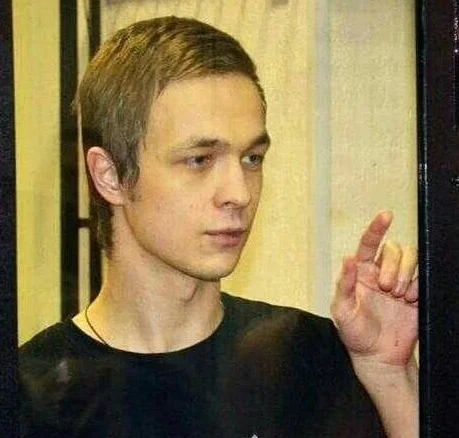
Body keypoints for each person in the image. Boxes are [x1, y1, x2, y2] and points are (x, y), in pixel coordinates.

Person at [19, 16, 418, 437]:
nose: (239, 193)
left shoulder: (307, 358)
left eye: (252, 158)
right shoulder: (32, 398)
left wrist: (389, 374)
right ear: (110, 175)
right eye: (199, 160)